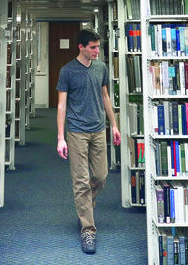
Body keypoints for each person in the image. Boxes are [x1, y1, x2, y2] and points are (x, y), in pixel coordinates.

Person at [57, 28, 121, 255]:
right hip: (76, 132)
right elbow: (62, 105)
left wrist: (114, 125)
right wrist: (60, 137)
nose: (97, 51)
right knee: (81, 181)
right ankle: (88, 230)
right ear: (81, 47)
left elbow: (105, 96)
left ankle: (85, 210)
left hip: (98, 130)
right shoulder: (67, 71)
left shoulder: (101, 68)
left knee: (100, 177)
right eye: (92, 47)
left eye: (98, 47)